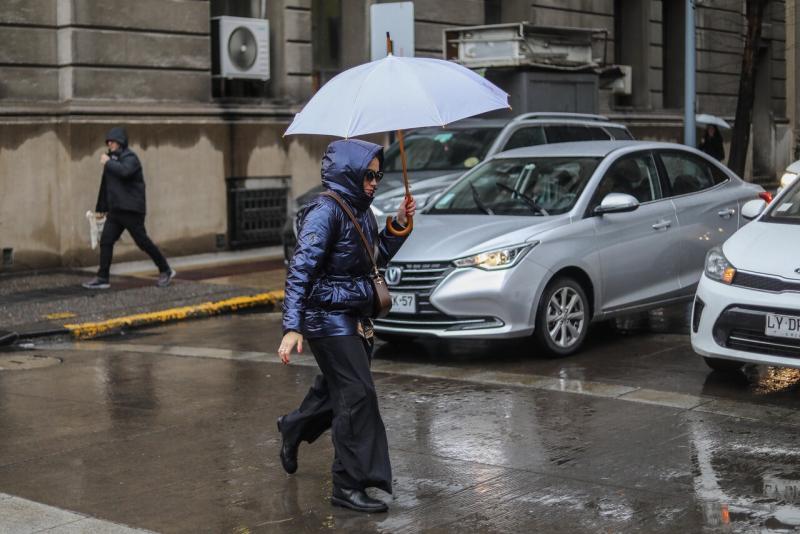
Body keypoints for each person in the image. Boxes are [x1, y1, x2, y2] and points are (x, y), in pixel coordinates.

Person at [276, 139, 416, 514]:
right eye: (368, 174)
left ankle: (293, 427)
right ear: (350, 172)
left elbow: (372, 261)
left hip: (355, 317)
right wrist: (292, 327)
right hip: (326, 319)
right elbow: (300, 270)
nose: (374, 181)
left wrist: (399, 227)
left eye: (378, 174)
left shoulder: (362, 211)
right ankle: (346, 485)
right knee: (356, 397)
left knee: (336, 391)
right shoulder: (325, 212)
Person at [82, 127, 175, 289]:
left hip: (131, 210)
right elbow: (106, 186)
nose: (109, 144)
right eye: (108, 141)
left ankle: (166, 270)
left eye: (112, 141)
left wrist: (109, 162)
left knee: (142, 242)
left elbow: (125, 172)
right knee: (106, 241)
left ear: (120, 142)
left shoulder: (130, 158)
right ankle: (102, 277)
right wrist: (101, 208)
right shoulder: (111, 160)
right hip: (116, 210)